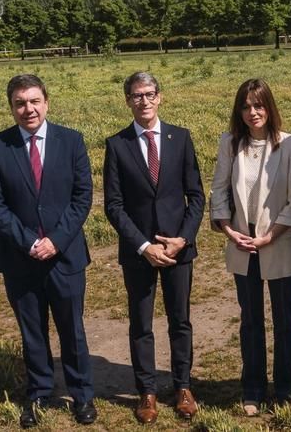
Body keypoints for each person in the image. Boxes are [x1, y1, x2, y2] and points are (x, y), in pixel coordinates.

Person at [0, 74, 97, 428]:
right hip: (20, 258)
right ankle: (39, 393)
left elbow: (82, 197)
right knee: (32, 331)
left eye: (34, 101)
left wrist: (56, 240)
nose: (28, 109)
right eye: (20, 103)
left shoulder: (71, 141)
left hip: (65, 256)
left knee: (72, 330)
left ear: (46, 102)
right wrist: (28, 241)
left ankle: (82, 395)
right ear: (11, 107)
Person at [103, 72, 205, 424]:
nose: (144, 101)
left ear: (159, 97)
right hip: (139, 252)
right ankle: (146, 391)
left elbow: (196, 196)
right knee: (141, 323)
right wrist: (144, 246)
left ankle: (183, 387)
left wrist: (183, 239)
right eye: (137, 95)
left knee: (180, 320)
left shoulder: (181, 138)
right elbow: (113, 205)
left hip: (178, 250)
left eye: (149, 94)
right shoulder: (117, 145)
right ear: (127, 101)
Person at [209, 78, 291, 415]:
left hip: (278, 240)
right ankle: (253, 388)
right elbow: (219, 190)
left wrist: (269, 236)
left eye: (259, 105)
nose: (253, 112)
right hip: (241, 242)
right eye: (246, 106)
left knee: (284, 318)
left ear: (269, 107)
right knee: (250, 319)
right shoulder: (230, 143)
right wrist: (228, 230)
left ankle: (288, 388)